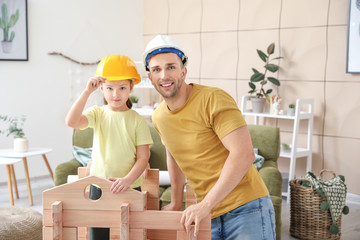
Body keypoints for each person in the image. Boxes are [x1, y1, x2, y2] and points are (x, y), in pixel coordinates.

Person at [143, 35, 276, 240]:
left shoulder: (213, 99)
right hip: (208, 216)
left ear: (183, 72)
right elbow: (174, 156)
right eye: (156, 70)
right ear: (150, 77)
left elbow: (244, 154)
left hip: (247, 208)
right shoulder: (159, 117)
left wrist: (204, 205)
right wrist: (177, 202)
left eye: (171, 67)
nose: (164, 75)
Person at [65, 54, 153, 240]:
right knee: (98, 235)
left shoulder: (138, 121)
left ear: (131, 87)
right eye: (110, 88)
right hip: (99, 186)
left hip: (130, 187)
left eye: (122, 87)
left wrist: (128, 180)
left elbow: (143, 158)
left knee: (130, 234)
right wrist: (87, 92)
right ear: (102, 89)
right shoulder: (98, 114)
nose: (116, 94)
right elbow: (71, 121)